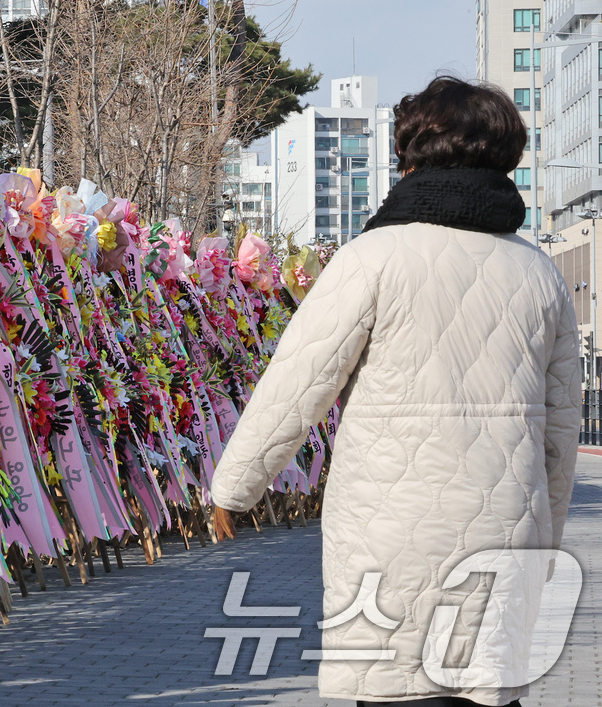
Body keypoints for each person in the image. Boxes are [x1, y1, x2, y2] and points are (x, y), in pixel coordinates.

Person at [210, 75, 581, 707]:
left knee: (394, 686)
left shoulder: (372, 257)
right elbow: (562, 428)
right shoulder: (538, 273)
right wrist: (542, 536)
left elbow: (295, 386)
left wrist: (234, 489)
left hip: (387, 537)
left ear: (410, 160)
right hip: (503, 537)